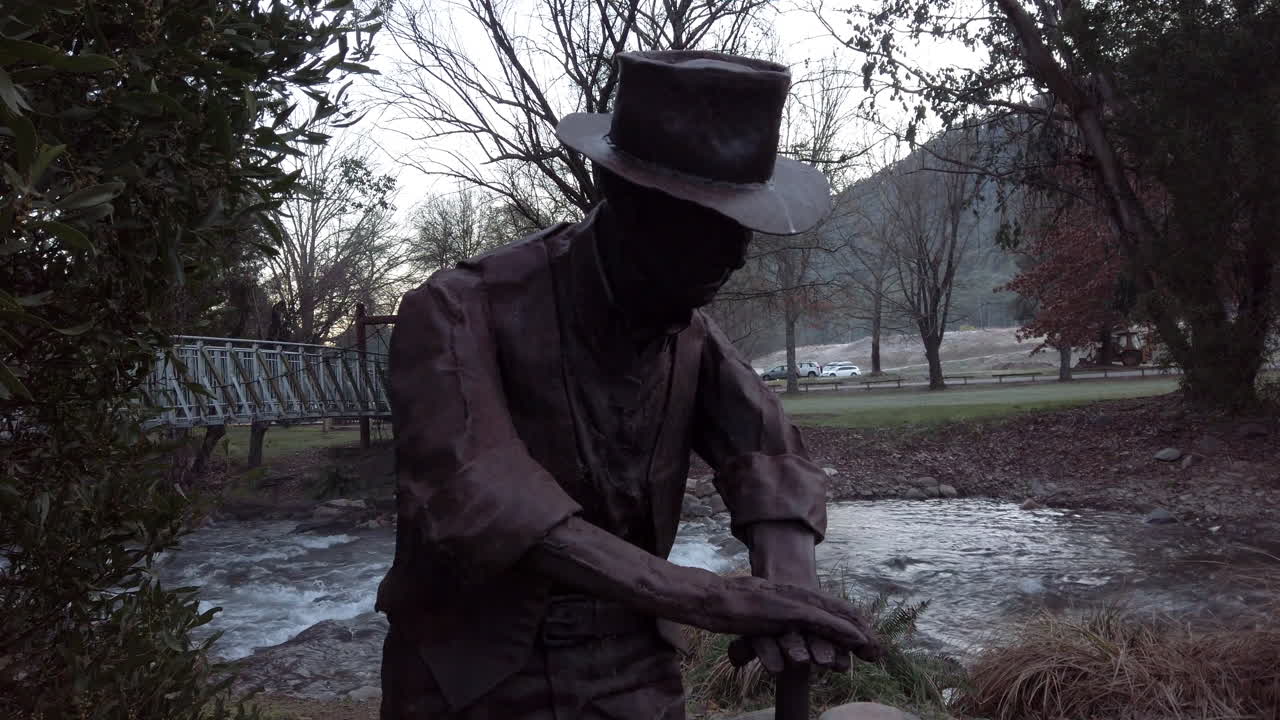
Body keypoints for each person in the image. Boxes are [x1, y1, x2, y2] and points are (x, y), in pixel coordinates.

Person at [377, 50, 880, 720]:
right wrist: (713, 599)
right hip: (472, 676)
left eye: (741, 230)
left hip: (633, 671)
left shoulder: (692, 331)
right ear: (624, 200)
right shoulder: (457, 310)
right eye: (706, 225)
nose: (732, 256)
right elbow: (481, 499)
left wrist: (791, 600)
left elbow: (767, 454)